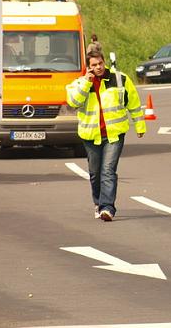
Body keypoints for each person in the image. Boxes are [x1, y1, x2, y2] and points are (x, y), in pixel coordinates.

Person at [66, 44, 145, 221]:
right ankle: (98, 202)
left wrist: (140, 126)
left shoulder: (120, 79)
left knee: (108, 170)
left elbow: (133, 103)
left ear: (104, 62)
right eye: (93, 65)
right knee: (95, 173)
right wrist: (86, 83)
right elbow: (73, 102)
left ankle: (107, 208)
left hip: (114, 135)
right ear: (88, 67)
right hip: (90, 135)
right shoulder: (79, 83)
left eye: (100, 63)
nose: (98, 67)